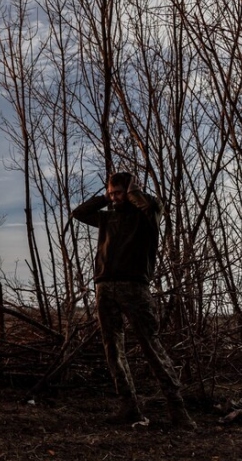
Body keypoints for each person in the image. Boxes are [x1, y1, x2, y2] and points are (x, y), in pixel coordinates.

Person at [72, 172, 196, 430]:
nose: (115, 198)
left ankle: (178, 409)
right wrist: (104, 198)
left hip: (135, 287)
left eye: (119, 193)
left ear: (131, 190)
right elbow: (79, 213)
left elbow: (150, 207)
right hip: (105, 287)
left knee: (150, 345)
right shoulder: (107, 217)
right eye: (112, 193)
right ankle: (129, 407)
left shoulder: (148, 212)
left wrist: (132, 192)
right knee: (113, 348)